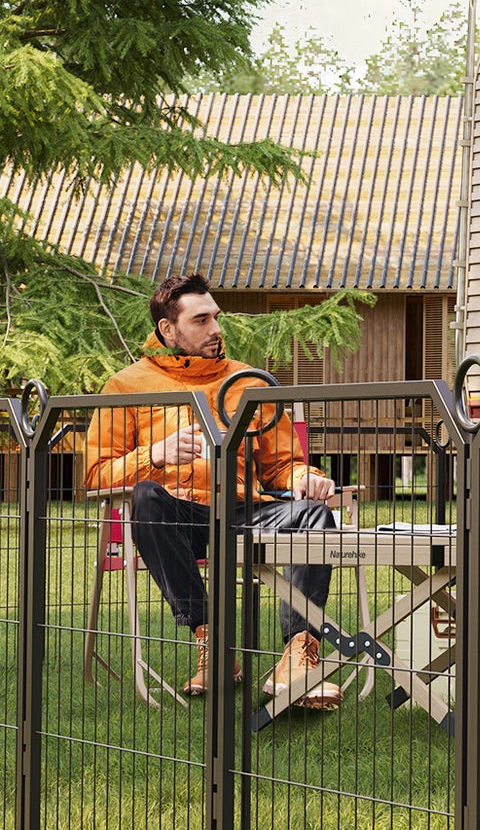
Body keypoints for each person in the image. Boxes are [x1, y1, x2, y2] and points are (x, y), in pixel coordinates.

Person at [84, 273, 343, 705]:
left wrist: (304, 478)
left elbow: (283, 464)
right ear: (169, 330)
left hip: (243, 511)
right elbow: (95, 474)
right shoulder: (125, 385)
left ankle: (300, 654)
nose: (216, 329)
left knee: (314, 513)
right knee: (146, 496)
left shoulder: (250, 382)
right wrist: (156, 455)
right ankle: (213, 642)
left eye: (216, 317)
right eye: (201, 320)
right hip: (177, 518)